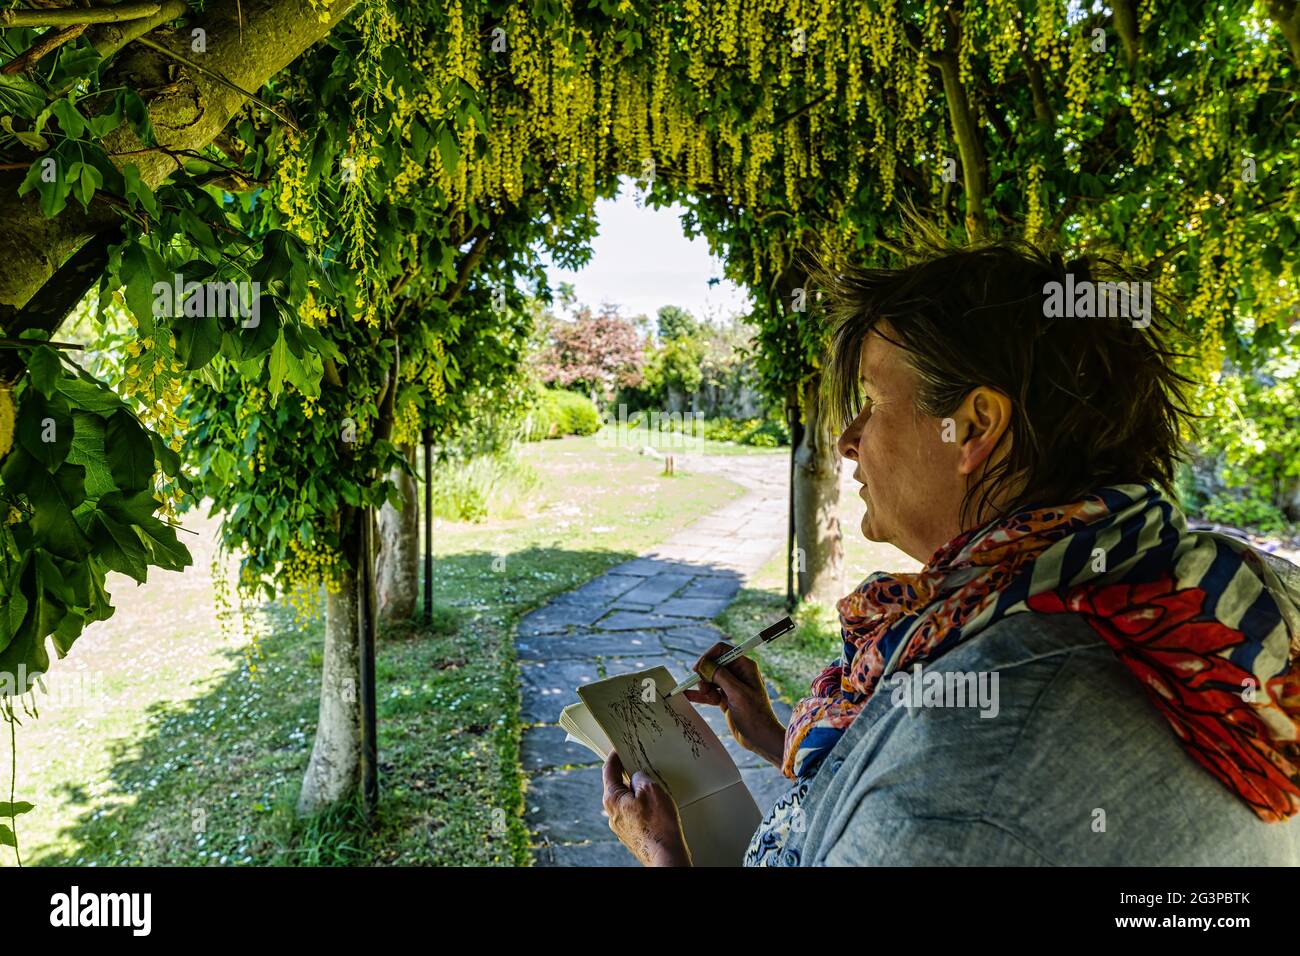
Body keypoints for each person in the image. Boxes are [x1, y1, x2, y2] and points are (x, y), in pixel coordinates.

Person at [599, 236, 1300, 866]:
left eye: (873, 400)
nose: (849, 438)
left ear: (974, 427)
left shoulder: (965, 759)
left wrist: (665, 856)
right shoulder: (1216, 594)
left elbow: (947, 807)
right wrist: (770, 733)